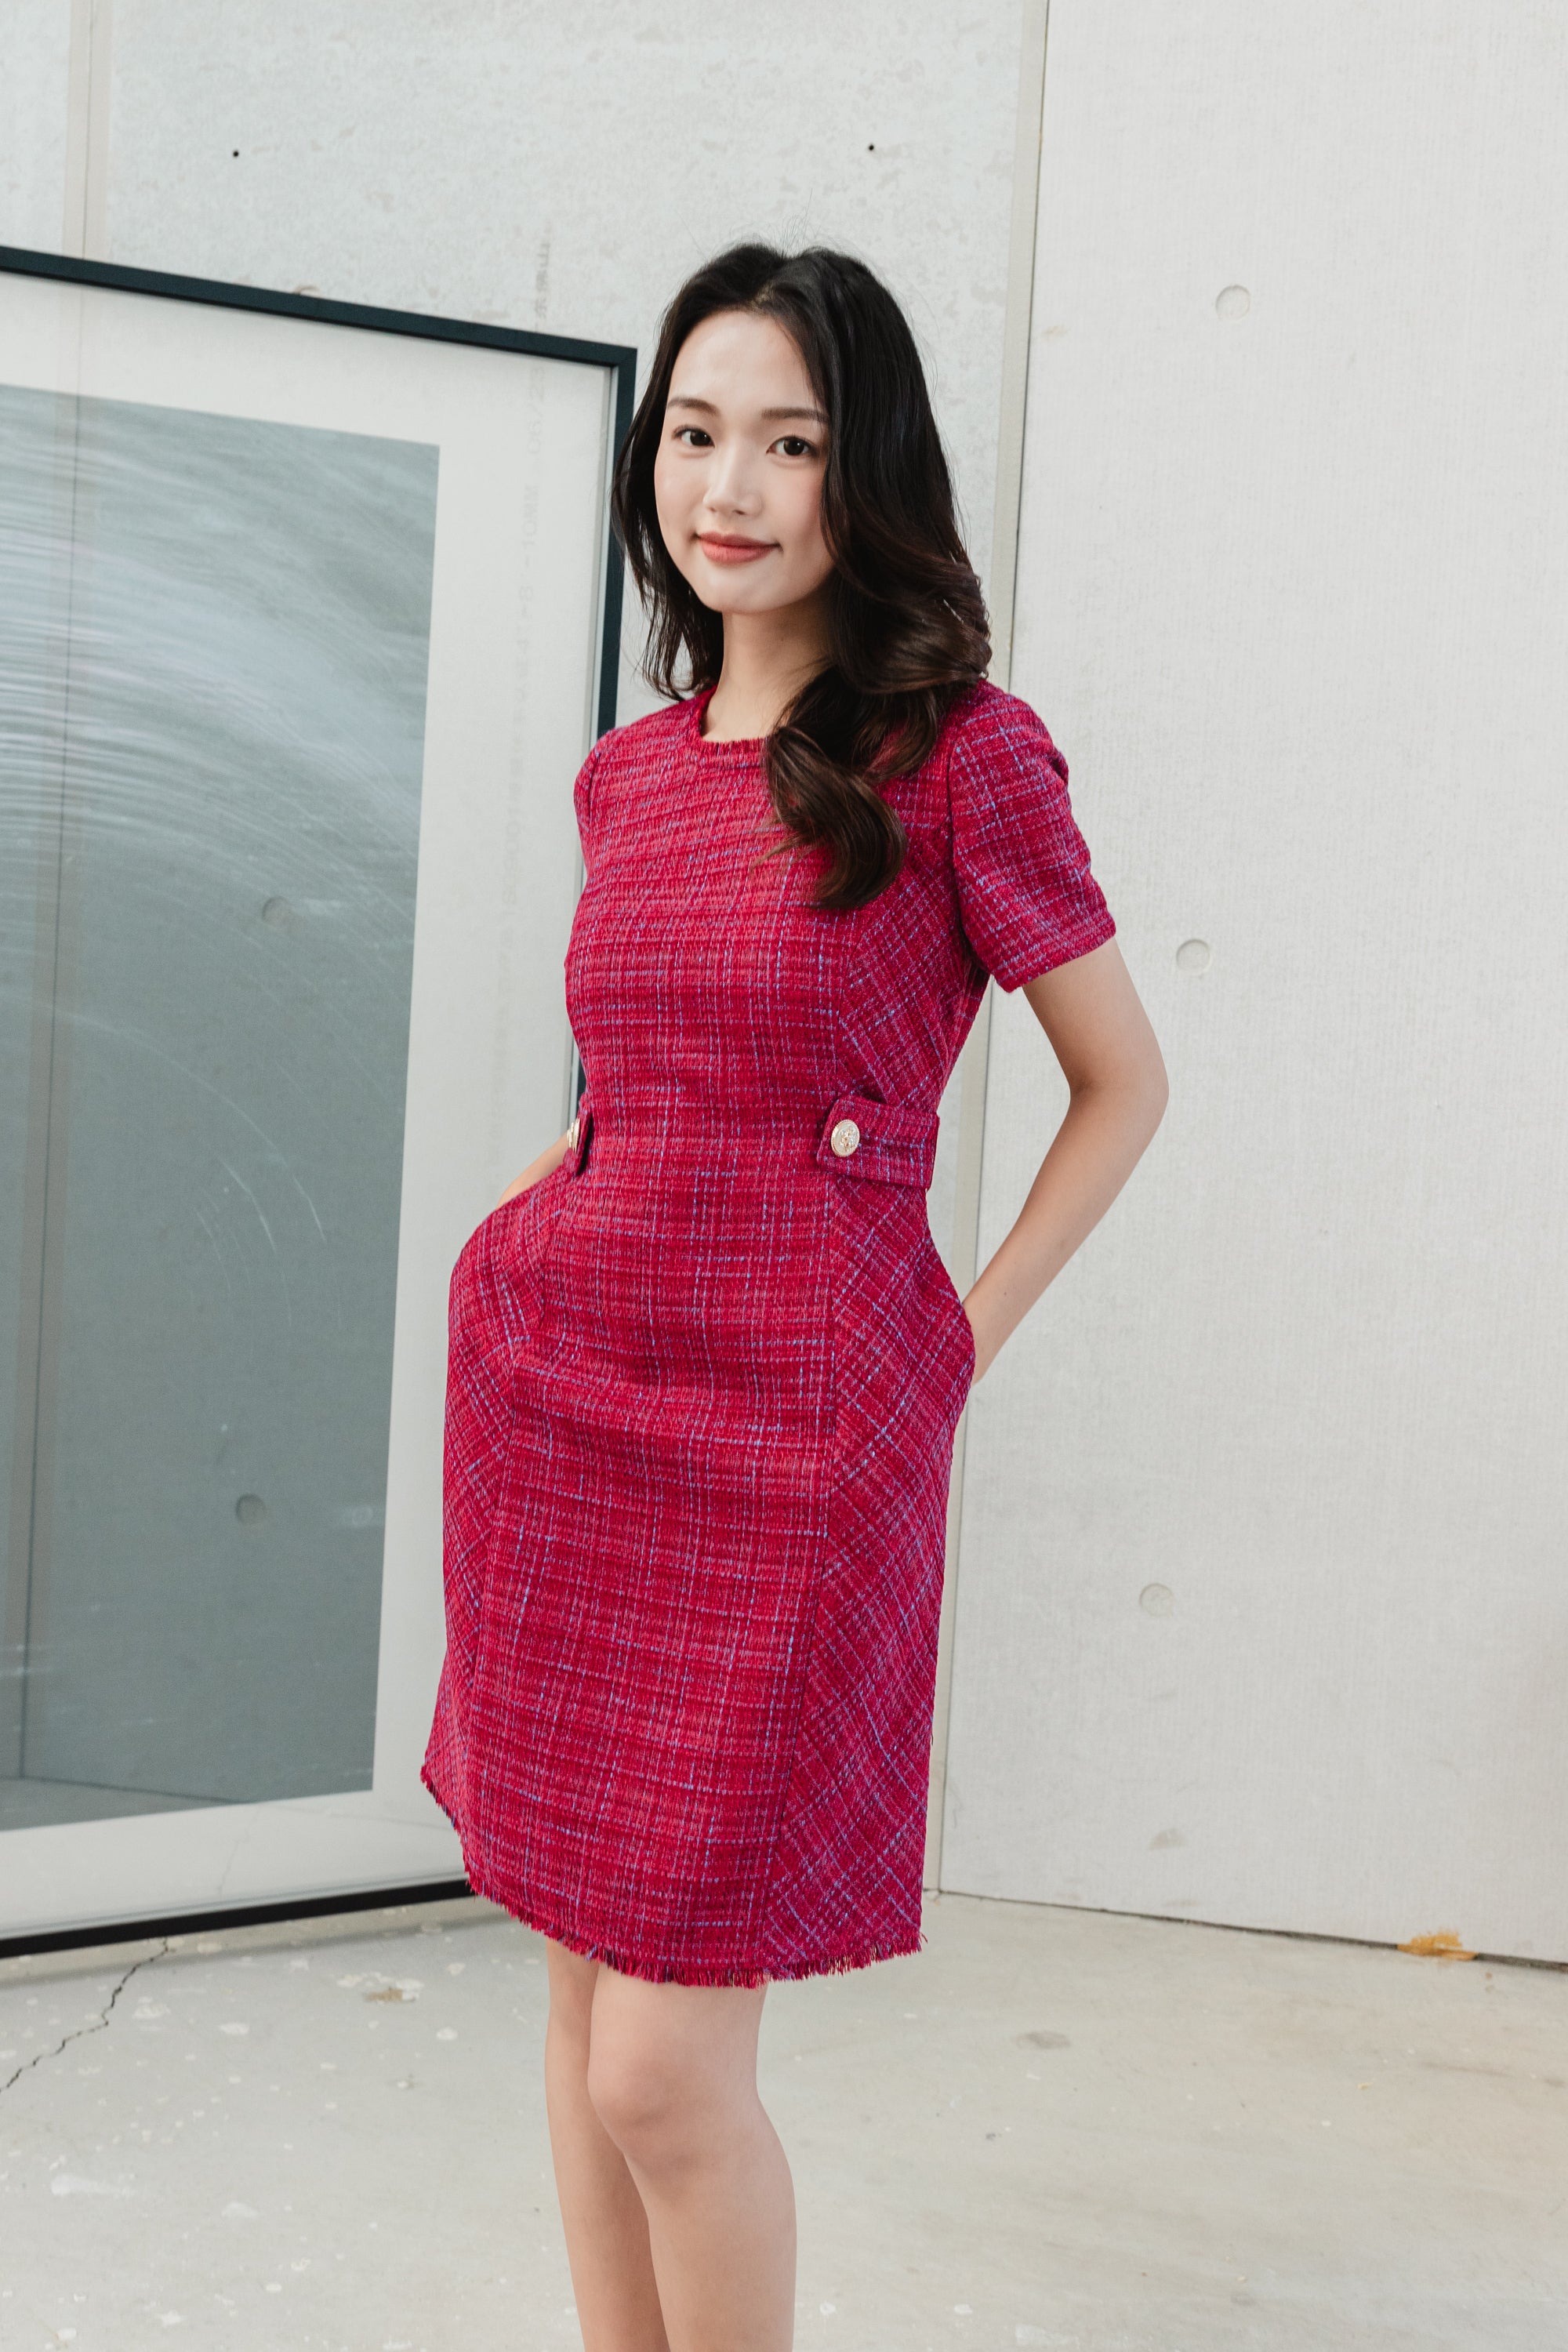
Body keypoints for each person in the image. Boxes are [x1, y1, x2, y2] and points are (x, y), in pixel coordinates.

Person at [422, 242, 1168, 2352]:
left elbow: (1124, 1085)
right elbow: (648, 1074)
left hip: (794, 1437)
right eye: (693, 432)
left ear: (870, 470)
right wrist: (531, 1209)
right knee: (578, 1998)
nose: (727, 486)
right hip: (565, 1408)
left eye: (790, 441)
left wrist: (951, 1350)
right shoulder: (630, 773)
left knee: (665, 2073)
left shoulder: (963, 756)